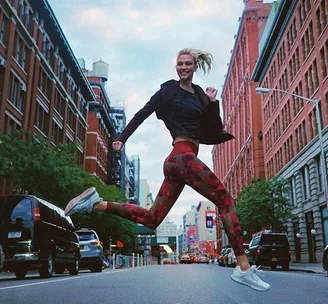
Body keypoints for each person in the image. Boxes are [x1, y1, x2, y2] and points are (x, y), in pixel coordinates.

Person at [64, 48, 270, 292]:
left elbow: (214, 128)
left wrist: (214, 103)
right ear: (177, 67)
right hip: (181, 157)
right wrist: (122, 137)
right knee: (226, 202)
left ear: (195, 67)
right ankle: (243, 267)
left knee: (152, 219)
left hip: (180, 161)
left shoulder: (201, 96)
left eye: (187, 64)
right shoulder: (168, 91)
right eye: (179, 63)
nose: (183, 67)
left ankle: (97, 203)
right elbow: (144, 112)